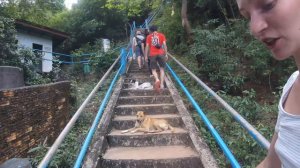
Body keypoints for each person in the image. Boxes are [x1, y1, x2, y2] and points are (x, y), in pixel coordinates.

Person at [236, 0, 300, 168]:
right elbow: (271, 164)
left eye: (268, 4)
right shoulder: (291, 87)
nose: (255, 28)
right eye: (247, 16)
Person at [145, 25, 168, 93]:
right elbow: (164, 45)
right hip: (161, 53)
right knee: (162, 69)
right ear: (156, 29)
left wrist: (146, 56)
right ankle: (161, 85)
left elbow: (147, 46)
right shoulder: (161, 35)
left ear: (150, 30)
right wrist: (166, 54)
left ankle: (157, 79)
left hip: (152, 54)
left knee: (153, 70)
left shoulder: (149, 36)